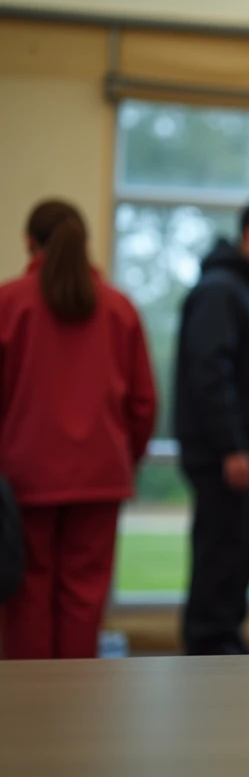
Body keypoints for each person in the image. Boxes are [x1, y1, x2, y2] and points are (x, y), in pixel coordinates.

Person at [0, 199, 156, 658]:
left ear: (30, 242)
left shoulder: (8, 304)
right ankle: (73, 708)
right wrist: (123, 460)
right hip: (100, 477)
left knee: (26, 596)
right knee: (84, 600)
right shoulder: (119, 308)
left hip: (24, 479)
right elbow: (144, 403)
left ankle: (27, 711)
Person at [175, 198, 249, 656]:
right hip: (223, 454)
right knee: (220, 552)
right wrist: (232, 447)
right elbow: (210, 372)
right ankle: (211, 644)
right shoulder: (221, 291)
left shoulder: (242, 291)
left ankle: (224, 638)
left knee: (235, 549)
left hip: (237, 451)